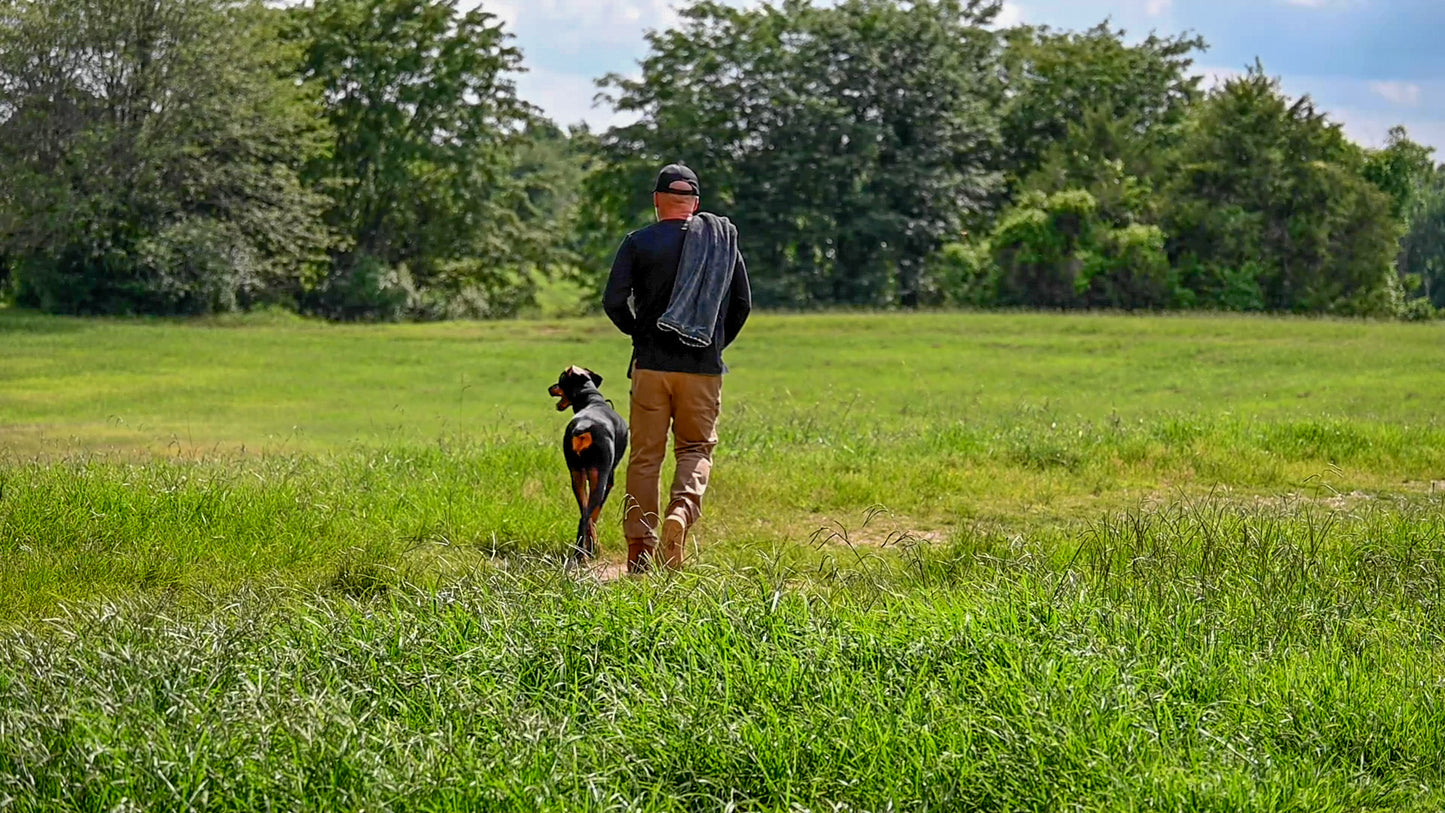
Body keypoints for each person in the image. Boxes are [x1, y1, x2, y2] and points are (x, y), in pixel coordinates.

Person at [603, 163, 751, 573]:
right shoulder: (722, 244)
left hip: (650, 366)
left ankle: (639, 550)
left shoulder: (638, 242)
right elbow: (742, 305)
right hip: (703, 368)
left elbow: (613, 301)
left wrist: (640, 335)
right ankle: (680, 515)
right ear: (696, 204)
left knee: (645, 457)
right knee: (695, 449)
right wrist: (713, 343)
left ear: (657, 201)